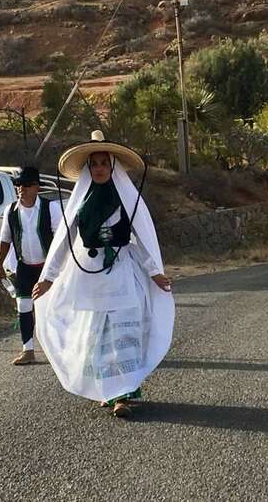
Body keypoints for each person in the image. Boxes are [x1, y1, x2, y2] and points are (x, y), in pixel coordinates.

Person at [32, 131, 174, 418]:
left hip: (122, 271)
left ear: (112, 167)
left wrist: (155, 272)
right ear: (88, 168)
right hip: (89, 277)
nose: (99, 168)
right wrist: (48, 277)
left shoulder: (126, 200)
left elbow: (141, 238)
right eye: (94, 164)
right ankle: (106, 390)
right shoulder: (80, 202)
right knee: (95, 336)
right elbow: (64, 241)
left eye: (103, 163)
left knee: (122, 331)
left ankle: (122, 394)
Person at [0, 166, 61, 365]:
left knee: (53, 308)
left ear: (36, 187)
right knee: (23, 307)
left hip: (47, 268)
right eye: (19, 185)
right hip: (24, 266)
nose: (21, 189)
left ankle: (60, 349)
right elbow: (5, 239)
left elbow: (61, 240)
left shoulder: (51, 208)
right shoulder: (11, 211)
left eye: (26, 185)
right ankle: (28, 350)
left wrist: (58, 268)